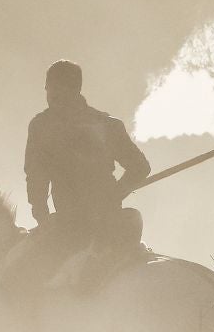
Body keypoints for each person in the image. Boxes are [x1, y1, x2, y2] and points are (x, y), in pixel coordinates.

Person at [9, 60, 151, 295]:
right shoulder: (107, 124)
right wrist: (117, 190)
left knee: (17, 283)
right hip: (100, 219)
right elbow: (140, 167)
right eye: (49, 88)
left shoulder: (43, 126)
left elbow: (36, 176)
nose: (51, 94)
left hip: (73, 226)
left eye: (55, 87)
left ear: (73, 89)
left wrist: (43, 218)